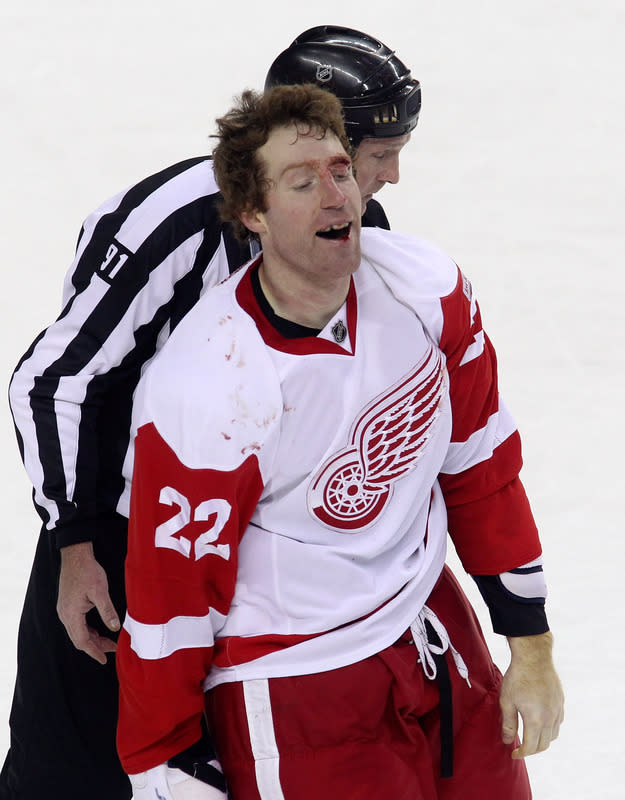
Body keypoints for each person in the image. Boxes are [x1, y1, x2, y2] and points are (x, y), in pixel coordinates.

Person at [2, 26, 423, 800]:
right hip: (130, 546)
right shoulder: (175, 223)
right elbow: (57, 380)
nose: (391, 175)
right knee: (74, 776)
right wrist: (78, 539)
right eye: (379, 152)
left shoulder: (357, 235)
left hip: (262, 565)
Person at [116, 84, 564, 800]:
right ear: (252, 214)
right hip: (294, 681)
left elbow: (481, 465)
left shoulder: (425, 289)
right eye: (302, 182)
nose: (337, 196)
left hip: (430, 630)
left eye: (338, 170)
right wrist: (162, 762)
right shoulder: (207, 388)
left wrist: (530, 646)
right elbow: (170, 597)